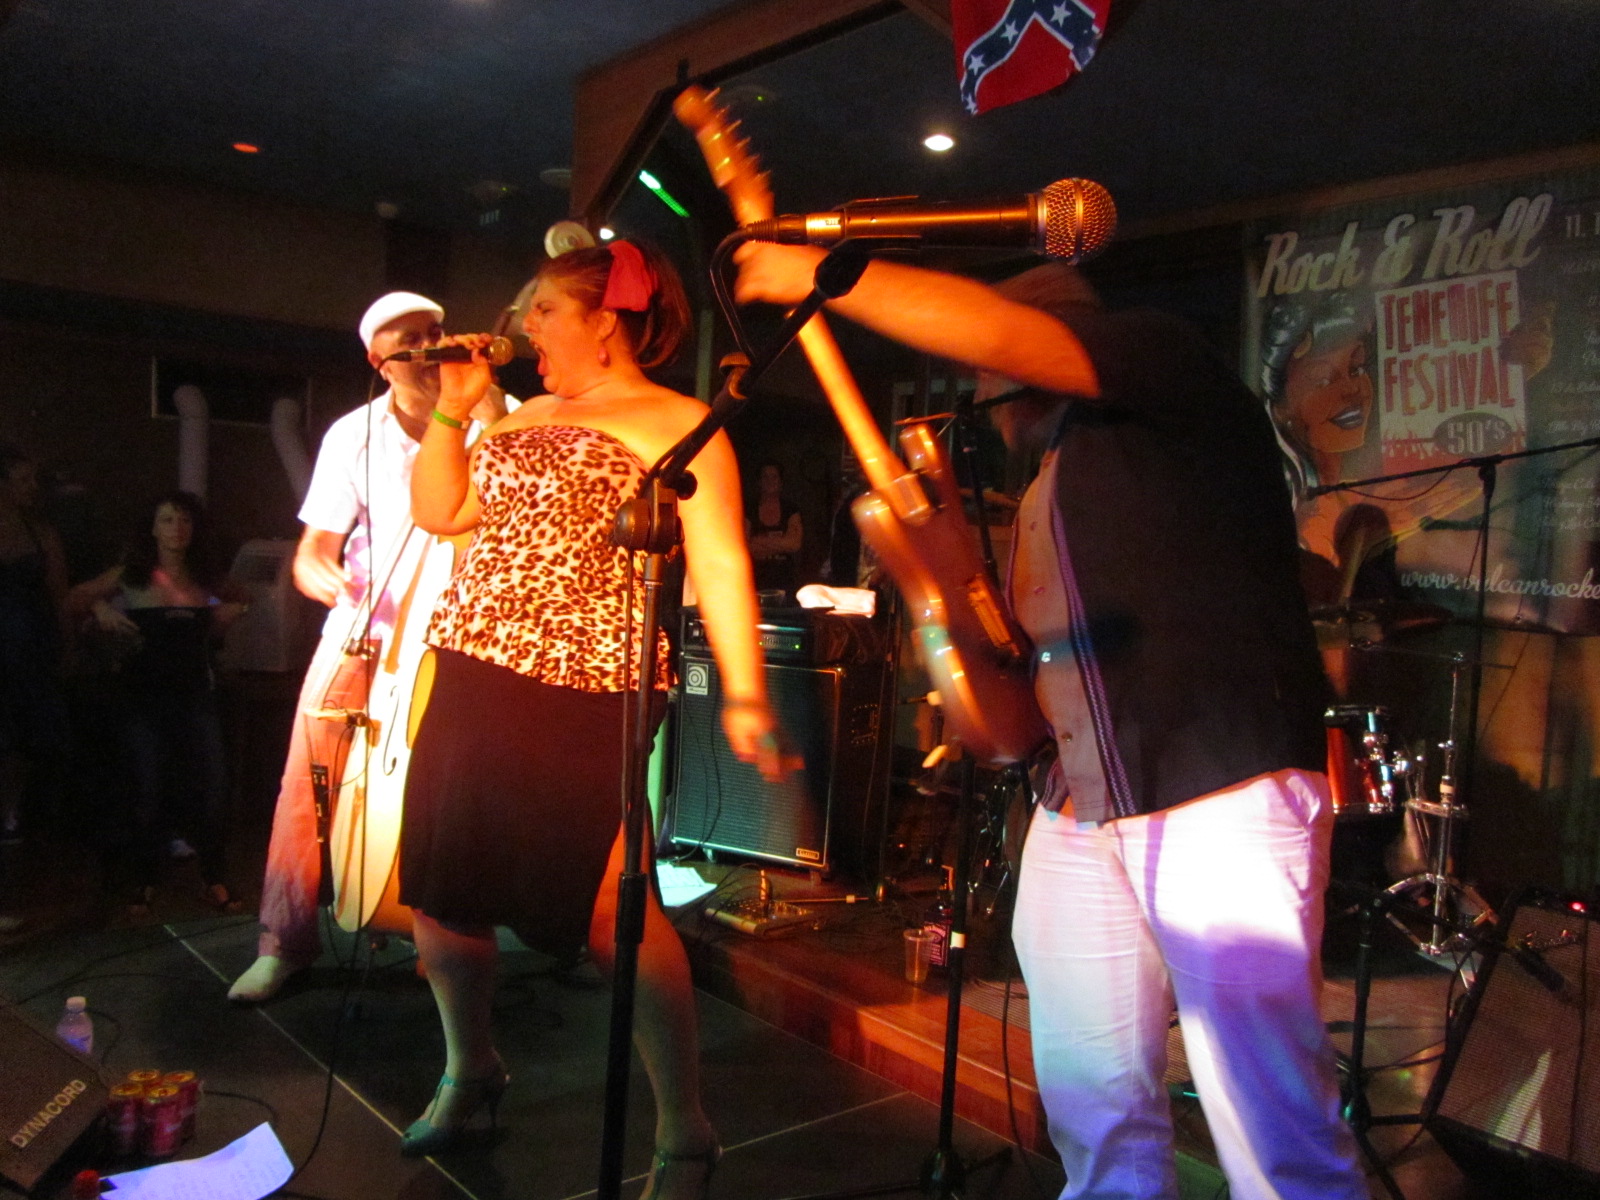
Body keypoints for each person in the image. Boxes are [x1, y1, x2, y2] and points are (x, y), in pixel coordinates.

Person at [735, 245, 1368, 1200]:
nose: (984, 394)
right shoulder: (1047, 488)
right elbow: (1019, 708)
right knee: (1093, 1105)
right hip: (1078, 808)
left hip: (1216, 789)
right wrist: (948, 594)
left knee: (1270, 1123)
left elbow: (1000, 332)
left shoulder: (1163, 367)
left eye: (991, 367)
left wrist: (819, 275)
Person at [400, 240, 784, 1197]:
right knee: (442, 900)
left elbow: (720, 563)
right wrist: (452, 408)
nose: (525, 326)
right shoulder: (518, 415)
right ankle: (470, 1068)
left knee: (617, 912)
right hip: (476, 667)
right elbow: (442, 512)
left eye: (542, 310)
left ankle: (685, 1129)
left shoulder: (679, 424)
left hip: (591, 685)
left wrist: (744, 694)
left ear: (603, 320)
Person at [227, 291, 509, 1003]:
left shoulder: (494, 417)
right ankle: (284, 943)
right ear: (379, 359)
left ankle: (436, 939)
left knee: (448, 793)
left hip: (457, 637)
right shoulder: (352, 433)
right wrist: (312, 570)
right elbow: (315, 548)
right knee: (308, 777)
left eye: (435, 330)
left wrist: (492, 406)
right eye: (411, 338)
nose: (431, 346)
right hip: (369, 628)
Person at [75, 491, 247, 913]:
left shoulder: (205, 577)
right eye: (168, 520)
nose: (177, 529)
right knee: (146, 788)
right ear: (153, 528)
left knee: (213, 785)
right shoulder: (131, 575)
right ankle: (143, 880)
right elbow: (74, 598)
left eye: (184, 520)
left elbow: (244, 596)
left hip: (196, 696)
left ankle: (214, 876)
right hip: (142, 699)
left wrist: (232, 613)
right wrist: (100, 609)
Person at [0, 446, 70, 848]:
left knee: (32, 735)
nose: (31, 487)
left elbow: (60, 594)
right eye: (22, 479)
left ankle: (14, 812)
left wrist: (68, 645)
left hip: (32, 649)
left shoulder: (42, 533)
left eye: (34, 479)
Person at [745, 460, 803, 600]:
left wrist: (758, 540)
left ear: (781, 482)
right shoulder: (749, 509)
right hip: (754, 581)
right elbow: (744, 546)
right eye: (765, 476)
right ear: (759, 481)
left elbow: (794, 544)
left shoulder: (791, 509)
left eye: (774, 477)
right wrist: (781, 543)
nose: (769, 481)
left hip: (785, 581)